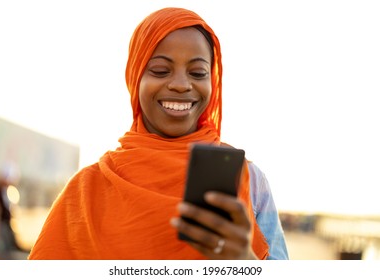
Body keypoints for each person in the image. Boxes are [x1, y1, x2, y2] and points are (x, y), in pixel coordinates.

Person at [28, 7, 288, 260]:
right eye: (160, 70)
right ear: (135, 77)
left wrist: (243, 261)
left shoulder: (249, 182)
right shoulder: (85, 191)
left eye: (197, 73)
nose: (180, 85)